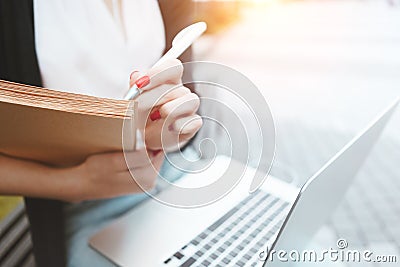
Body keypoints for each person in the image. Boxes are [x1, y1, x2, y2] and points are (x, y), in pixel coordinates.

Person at [0, 0, 201, 266]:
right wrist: (76, 184)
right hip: (85, 208)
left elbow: (188, 92)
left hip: (177, 173)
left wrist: (172, 129)